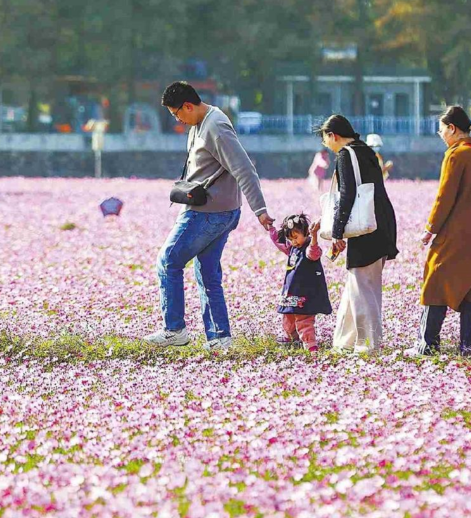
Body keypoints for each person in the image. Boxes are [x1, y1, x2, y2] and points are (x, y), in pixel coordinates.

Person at [144, 81, 275, 350]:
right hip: (216, 210)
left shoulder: (216, 126)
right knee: (207, 273)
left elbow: (245, 169)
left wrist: (260, 211)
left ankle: (174, 329)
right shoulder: (200, 124)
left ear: (188, 106)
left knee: (168, 261)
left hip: (209, 213)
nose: (177, 119)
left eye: (176, 113)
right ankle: (219, 337)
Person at [413, 105, 471, 356]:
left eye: (441, 130)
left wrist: (430, 229)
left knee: (435, 284)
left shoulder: (457, 155)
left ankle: (427, 345)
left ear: (452, 129)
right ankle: (470, 347)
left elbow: (444, 197)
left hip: (456, 239)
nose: (440, 135)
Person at [320, 115, 399, 353]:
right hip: (381, 224)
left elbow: (347, 196)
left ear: (332, 135)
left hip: (367, 229)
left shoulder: (346, 154)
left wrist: (337, 233)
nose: (326, 145)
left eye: (325, 139)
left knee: (363, 289)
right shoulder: (365, 150)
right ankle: (344, 342)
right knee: (358, 286)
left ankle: (369, 345)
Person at [269, 213, 332, 353]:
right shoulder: (293, 248)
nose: (294, 242)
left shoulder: (309, 248)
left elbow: (313, 253)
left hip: (305, 294)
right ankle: (291, 338)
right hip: (291, 292)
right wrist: (271, 229)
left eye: (296, 237)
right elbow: (279, 243)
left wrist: (314, 235)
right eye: (290, 239)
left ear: (305, 233)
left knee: (304, 320)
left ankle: (310, 344)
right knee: (288, 316)